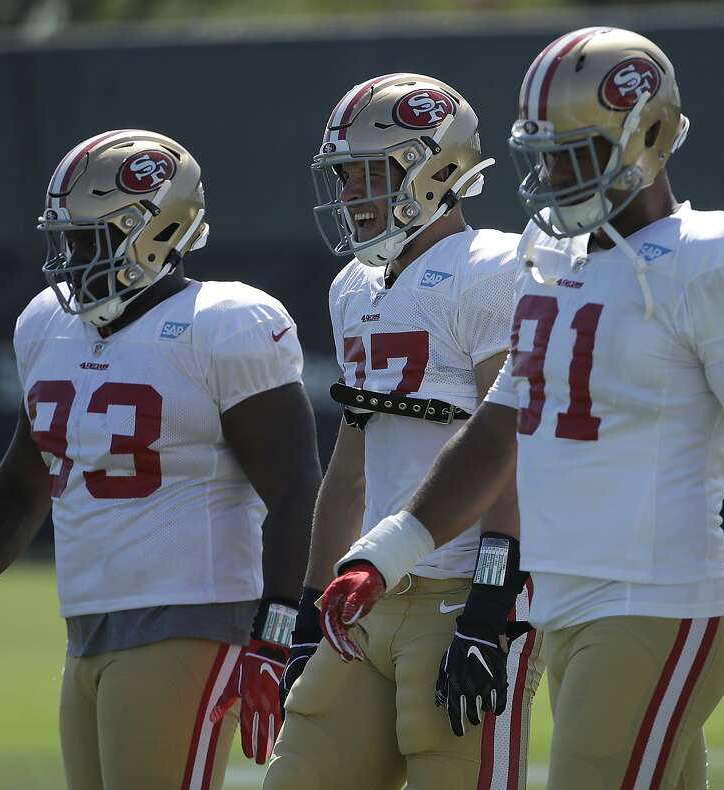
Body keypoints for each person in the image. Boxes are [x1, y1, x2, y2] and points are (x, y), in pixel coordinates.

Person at [318, 28, 724, 790]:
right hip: (567, 606)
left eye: (578, 149)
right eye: (544, 150)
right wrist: (385, 555)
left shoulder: (713, 257)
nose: (555, 171)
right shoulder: (545, 255)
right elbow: (498, 429)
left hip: (659, 602)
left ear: (650, 137)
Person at [0, 129, 322, 790]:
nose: (72, 257)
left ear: (156, 231)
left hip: (194, 616)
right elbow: (22, 479)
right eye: (67, 237)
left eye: (92, 237)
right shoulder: (46, 325)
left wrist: (273, 638)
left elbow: (296, 490)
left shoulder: (226, 323)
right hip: (89, 626)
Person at [264, 74, 542, 790]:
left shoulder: (494, 266)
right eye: (344, 177)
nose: (351, 195)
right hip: (366, 593)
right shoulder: (354, 284)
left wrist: (491, 607)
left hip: (460, 594)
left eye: (366, 175)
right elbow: (350, 472)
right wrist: (304, 618)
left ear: (438, 169)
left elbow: (510, 455)